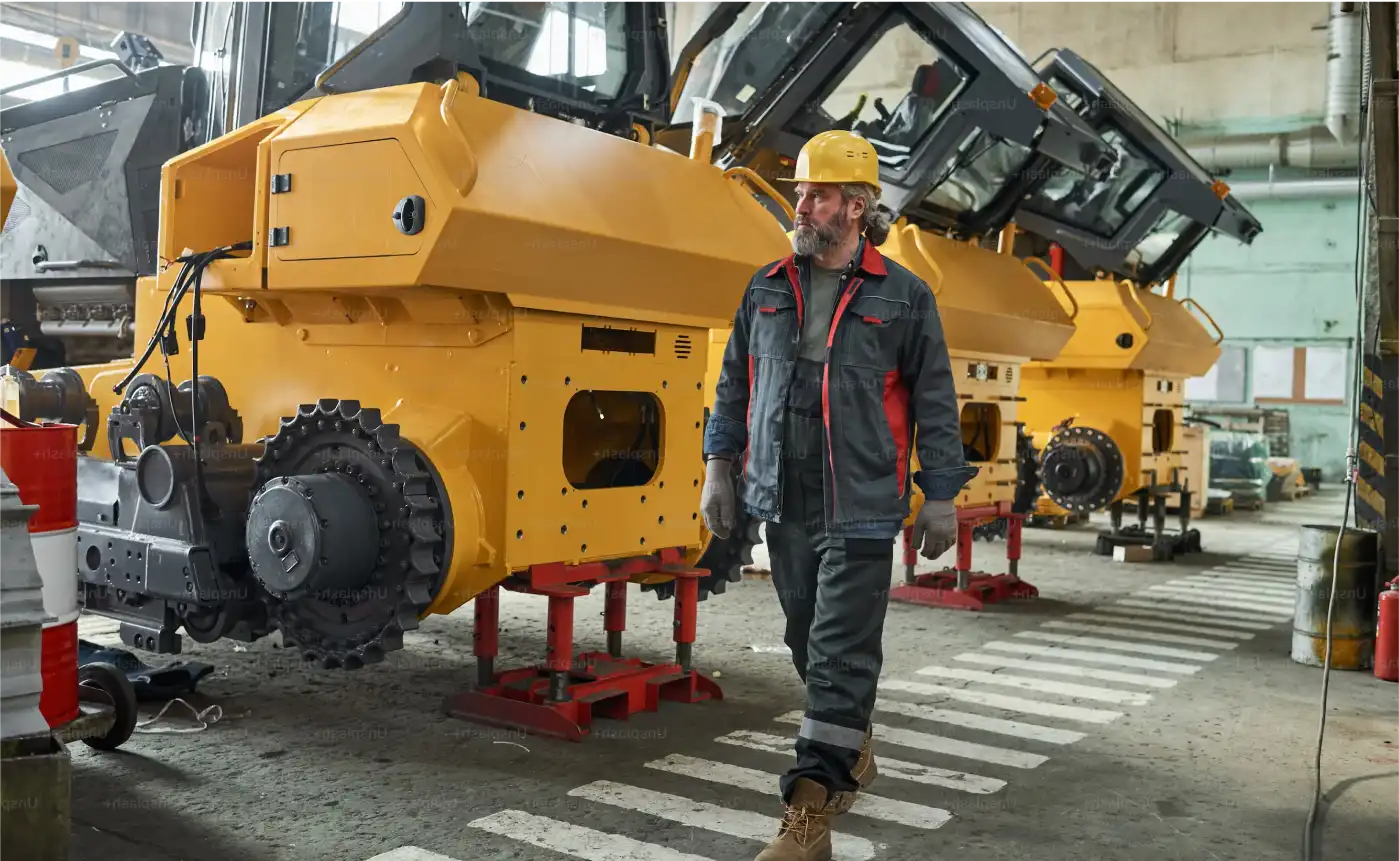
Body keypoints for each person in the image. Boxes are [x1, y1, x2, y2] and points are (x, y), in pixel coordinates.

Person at [700, 129, 977, 861]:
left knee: (836, 652)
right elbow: (733, 383)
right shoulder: (765, 285)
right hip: (782, 494)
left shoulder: (905, 296)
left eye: (815, 193)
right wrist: (718, 466)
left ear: (855, 208)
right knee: (804, 638)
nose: (800, 204)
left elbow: (936, 402)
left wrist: (940, 494)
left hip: (860, 499)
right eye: (798, 192)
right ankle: (848, 739)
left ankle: (806, 817)